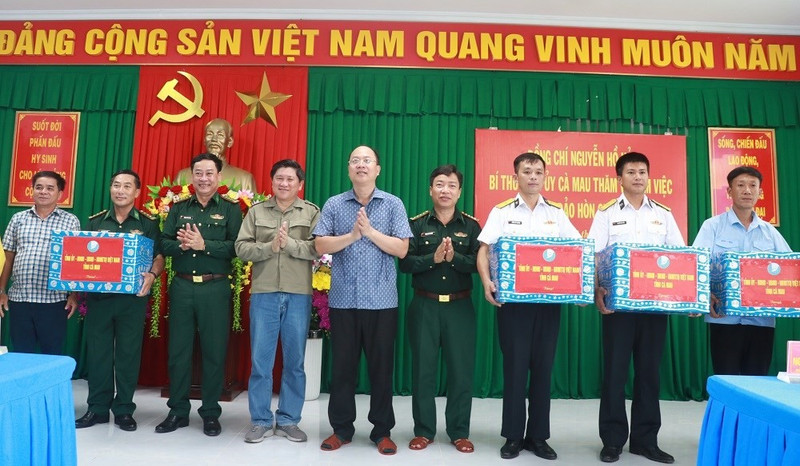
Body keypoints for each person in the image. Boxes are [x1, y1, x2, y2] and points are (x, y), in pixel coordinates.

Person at [476, 152, 581, 461]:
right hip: (514, 306)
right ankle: (512, 436)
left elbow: (577, 251)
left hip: (549, 305)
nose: (533, 176)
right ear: (516, 176)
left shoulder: (557, 214)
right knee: (515, 369)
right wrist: (486, 282)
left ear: (545, 176)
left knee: (543, 371)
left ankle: (538, 437)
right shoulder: (502, 211)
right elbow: (483, 251)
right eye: (527, 171)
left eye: (538, 171)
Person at [313, 145, 412, 456]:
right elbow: (320, 244)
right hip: (343, 300)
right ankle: (341, 429)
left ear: (378, 169)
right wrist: (352, 236)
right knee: (342, 369)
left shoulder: (393, 204)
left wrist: (368, 232)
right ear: (348, 169)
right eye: (354, 160)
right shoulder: (334, 204)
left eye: (367, 160)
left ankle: (382, 431)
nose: (360, 165)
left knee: (381, 370)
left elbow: (401, 249)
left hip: (382, 302)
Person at [588, 152, 684, 464]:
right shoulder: (606, 213)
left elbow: (680, 256)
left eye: (643, 171)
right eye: (631, 172)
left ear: (648, 176)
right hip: (618, 307)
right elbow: (595, 255)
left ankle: (646, 440)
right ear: (620, 178)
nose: (638, 177)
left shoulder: (663, 214)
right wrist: (596, 289)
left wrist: (686, 296)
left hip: (655, 307)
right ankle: (613, 440)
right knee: (614, 373)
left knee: (649, 374)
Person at [155, 153, 243, 437]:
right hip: (182, 287)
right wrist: (180, 247)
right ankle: (177, 411)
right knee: (178, 351)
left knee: (214, 351)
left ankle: (210, 413)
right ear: (191, 176)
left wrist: (204, 244)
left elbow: (237, 248)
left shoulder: (231, 209)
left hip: (215, 288)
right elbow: (164, 243)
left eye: (209, 173)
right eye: (198, 173)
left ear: (219, 177)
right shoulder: (179, 208)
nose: (203, 179)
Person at [235, 159, 320, 444]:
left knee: (294, 361)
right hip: (264, 293)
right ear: (272, 182)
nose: (284, 183)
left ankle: (288, 420)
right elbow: (241, 247)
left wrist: (290, 245)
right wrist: (268, 247)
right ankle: (260, 420)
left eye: (290, 179)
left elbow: (318, 247)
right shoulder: (257, 212)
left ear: (300, 184)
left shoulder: (310, 213)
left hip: (298, 294)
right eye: (279, 178)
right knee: (261, 361)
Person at [399, 164, 481, 454]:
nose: (445, 190)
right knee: (422, 371)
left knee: (461, 372)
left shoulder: (471, 226)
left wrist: (454, 258)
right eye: (440, 184)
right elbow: (404, 263)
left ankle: (459, 432)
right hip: (424, 305)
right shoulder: (416, 224)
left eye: (451, 185)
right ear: (430, 189)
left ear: (460, 192)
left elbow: (480, 265)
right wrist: (432, 259)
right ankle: (423, 430)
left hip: (460, 307)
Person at [75, 169, 165, 432]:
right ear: (110, 189)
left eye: (127, 186)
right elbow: (81, 255)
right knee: (99, 354)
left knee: (128, 354)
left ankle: (124, 409)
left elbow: (159, 256)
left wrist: (152, 274)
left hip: (132, 300)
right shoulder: (95, 222)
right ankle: (97, 409)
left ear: (137, 192)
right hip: (100, 299)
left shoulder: (148, 223)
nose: (120, 190)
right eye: (116, 185)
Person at [692, 165, 790, 376]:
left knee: (757, 382)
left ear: (760, 192)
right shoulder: (713, 226)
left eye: (753, 186)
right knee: (728, 380)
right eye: (741, 185)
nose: (747, 190)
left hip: (762, 321)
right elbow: (696, 265)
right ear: (729, 191)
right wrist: (704, 294)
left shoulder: (769, 232)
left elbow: (789, 269)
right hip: (724, 319)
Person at [0, 171, 80, 354]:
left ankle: (49, 384)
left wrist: (73, 294)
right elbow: (8, 257)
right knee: (21, 353)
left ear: (60, 194)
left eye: (50, 188)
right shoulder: (18, 219)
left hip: (54, 301)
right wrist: (2, 291)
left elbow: (75, 261)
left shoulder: (70, 221)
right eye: (39, 187)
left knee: (51, 354)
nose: (43, 191)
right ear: (32, 191)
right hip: (20, 299)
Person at [175, 118, 257, 192]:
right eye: (210, 134)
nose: (214, 139)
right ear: (204, 140)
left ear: (230, 142)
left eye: (220, 135)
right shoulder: (183, 176)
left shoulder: (244, 179)